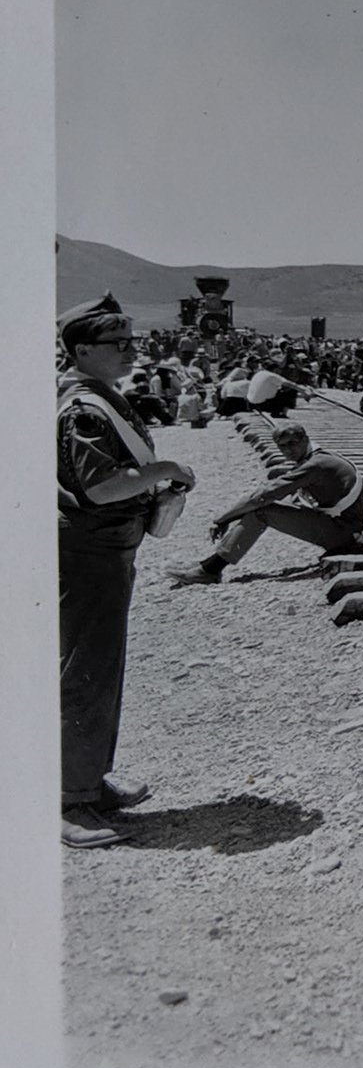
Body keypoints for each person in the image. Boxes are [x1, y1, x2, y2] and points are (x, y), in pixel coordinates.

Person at [56, 294, 197, 848]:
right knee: (86, 670)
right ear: (82, 349)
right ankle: (69, 801)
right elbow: (99, 486)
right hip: (90, 550)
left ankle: (87, 780)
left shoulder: (94, 395)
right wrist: (162, 469)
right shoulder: (85, 407)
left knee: (99, 666)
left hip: (105, 546)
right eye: (118, 345)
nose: (130, 352)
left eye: (131, 342)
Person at [167, 421, 363, 585]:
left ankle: (209, 570)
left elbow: (261, 496)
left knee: (262, 511)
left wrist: (221, 519)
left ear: (305, 439)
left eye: (293, 443)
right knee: (264, 507)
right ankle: (207, 564)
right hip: (344, 526)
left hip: (343, 534)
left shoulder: (315, 464)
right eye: (283, 446)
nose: (288, 450)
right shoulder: (320, 456)